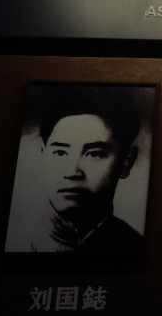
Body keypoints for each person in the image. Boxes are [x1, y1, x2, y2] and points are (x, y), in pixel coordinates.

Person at [13, 85, 145, 253]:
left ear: (127, 161)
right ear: (42, 153)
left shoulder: (137, 248)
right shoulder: (12, 237)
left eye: (95, 154)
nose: (72, 172)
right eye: (60, 153)